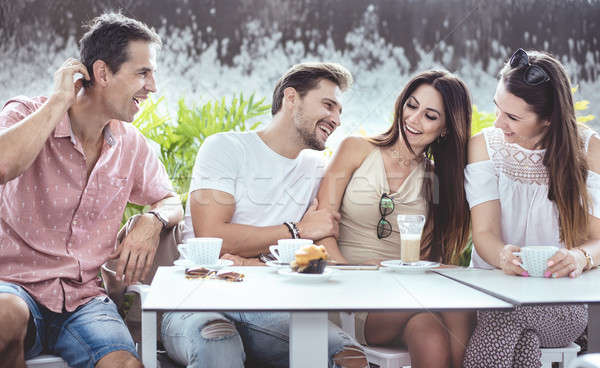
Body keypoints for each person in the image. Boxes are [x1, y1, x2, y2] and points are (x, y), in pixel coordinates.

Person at [0, 12, 183, 368]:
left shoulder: (131, 143)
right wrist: (58, 102)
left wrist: (153, 220)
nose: (153, 86)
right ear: (102, 73)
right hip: (13, 286)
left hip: (85, 302)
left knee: (126, 364)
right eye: (143, 73)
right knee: (5, 316)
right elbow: (4, 164)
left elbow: (170, 199)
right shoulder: (25, 113)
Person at [160, 62, 367, 368]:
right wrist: (297, 230)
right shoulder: (225, 148)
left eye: (339, 111)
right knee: (219, 343)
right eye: (328, 105)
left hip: (271, 305)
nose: (336, 119)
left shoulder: (318, 168)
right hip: (200, 297)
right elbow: (213, 237)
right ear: (291, 98)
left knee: (348, 357)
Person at [315, 69, 474, 368]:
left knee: (430, 333)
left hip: (400, 295)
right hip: (346, 291)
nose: (413, 120)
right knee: (453, 301)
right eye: (411, 106)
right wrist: (353, 272)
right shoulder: (357, 149)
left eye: (430, 115)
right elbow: (321, 228)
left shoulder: (436, 181)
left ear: (445, 129)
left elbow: (423, 259)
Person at [462, 48, 600, 367]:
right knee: (523, 343)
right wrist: (502, 256)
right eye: (498, 108)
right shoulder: (484, 145)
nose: (498, 123)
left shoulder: (590, 149)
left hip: (559, 302)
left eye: (512, 117)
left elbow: (597, 239)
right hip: (489, 291)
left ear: (549, 119)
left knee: (505, 317)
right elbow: (484, 232)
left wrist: (580, 256)